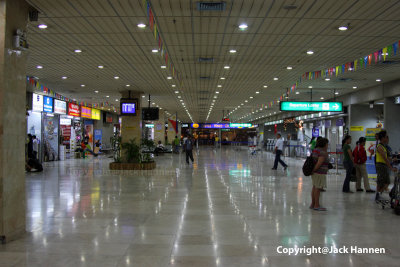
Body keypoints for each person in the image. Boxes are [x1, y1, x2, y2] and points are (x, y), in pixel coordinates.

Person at [375, 131, 397, 201]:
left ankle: (379, 194)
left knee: (387, 182)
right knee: (381, 181)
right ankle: (378, 195)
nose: (387, 138)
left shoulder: (383, 147)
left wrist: (393, 159)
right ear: (383, 138)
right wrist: (391, 168)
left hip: (384, 165)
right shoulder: (380, 147)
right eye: (386, 137)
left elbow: (387, 158)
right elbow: (384, 158)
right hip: (380, 165)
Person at [310, 138, 330, 211]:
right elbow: (319, 163)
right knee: (318, 188)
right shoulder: (322, 152)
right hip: (319, 172)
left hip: (315, 173)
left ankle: (313, 204)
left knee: (314, 187)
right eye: (327, 144)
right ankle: (316, 205)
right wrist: (314, 170)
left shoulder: (315, 150)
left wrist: (312, 171)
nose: (327, 146)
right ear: (324, 144)